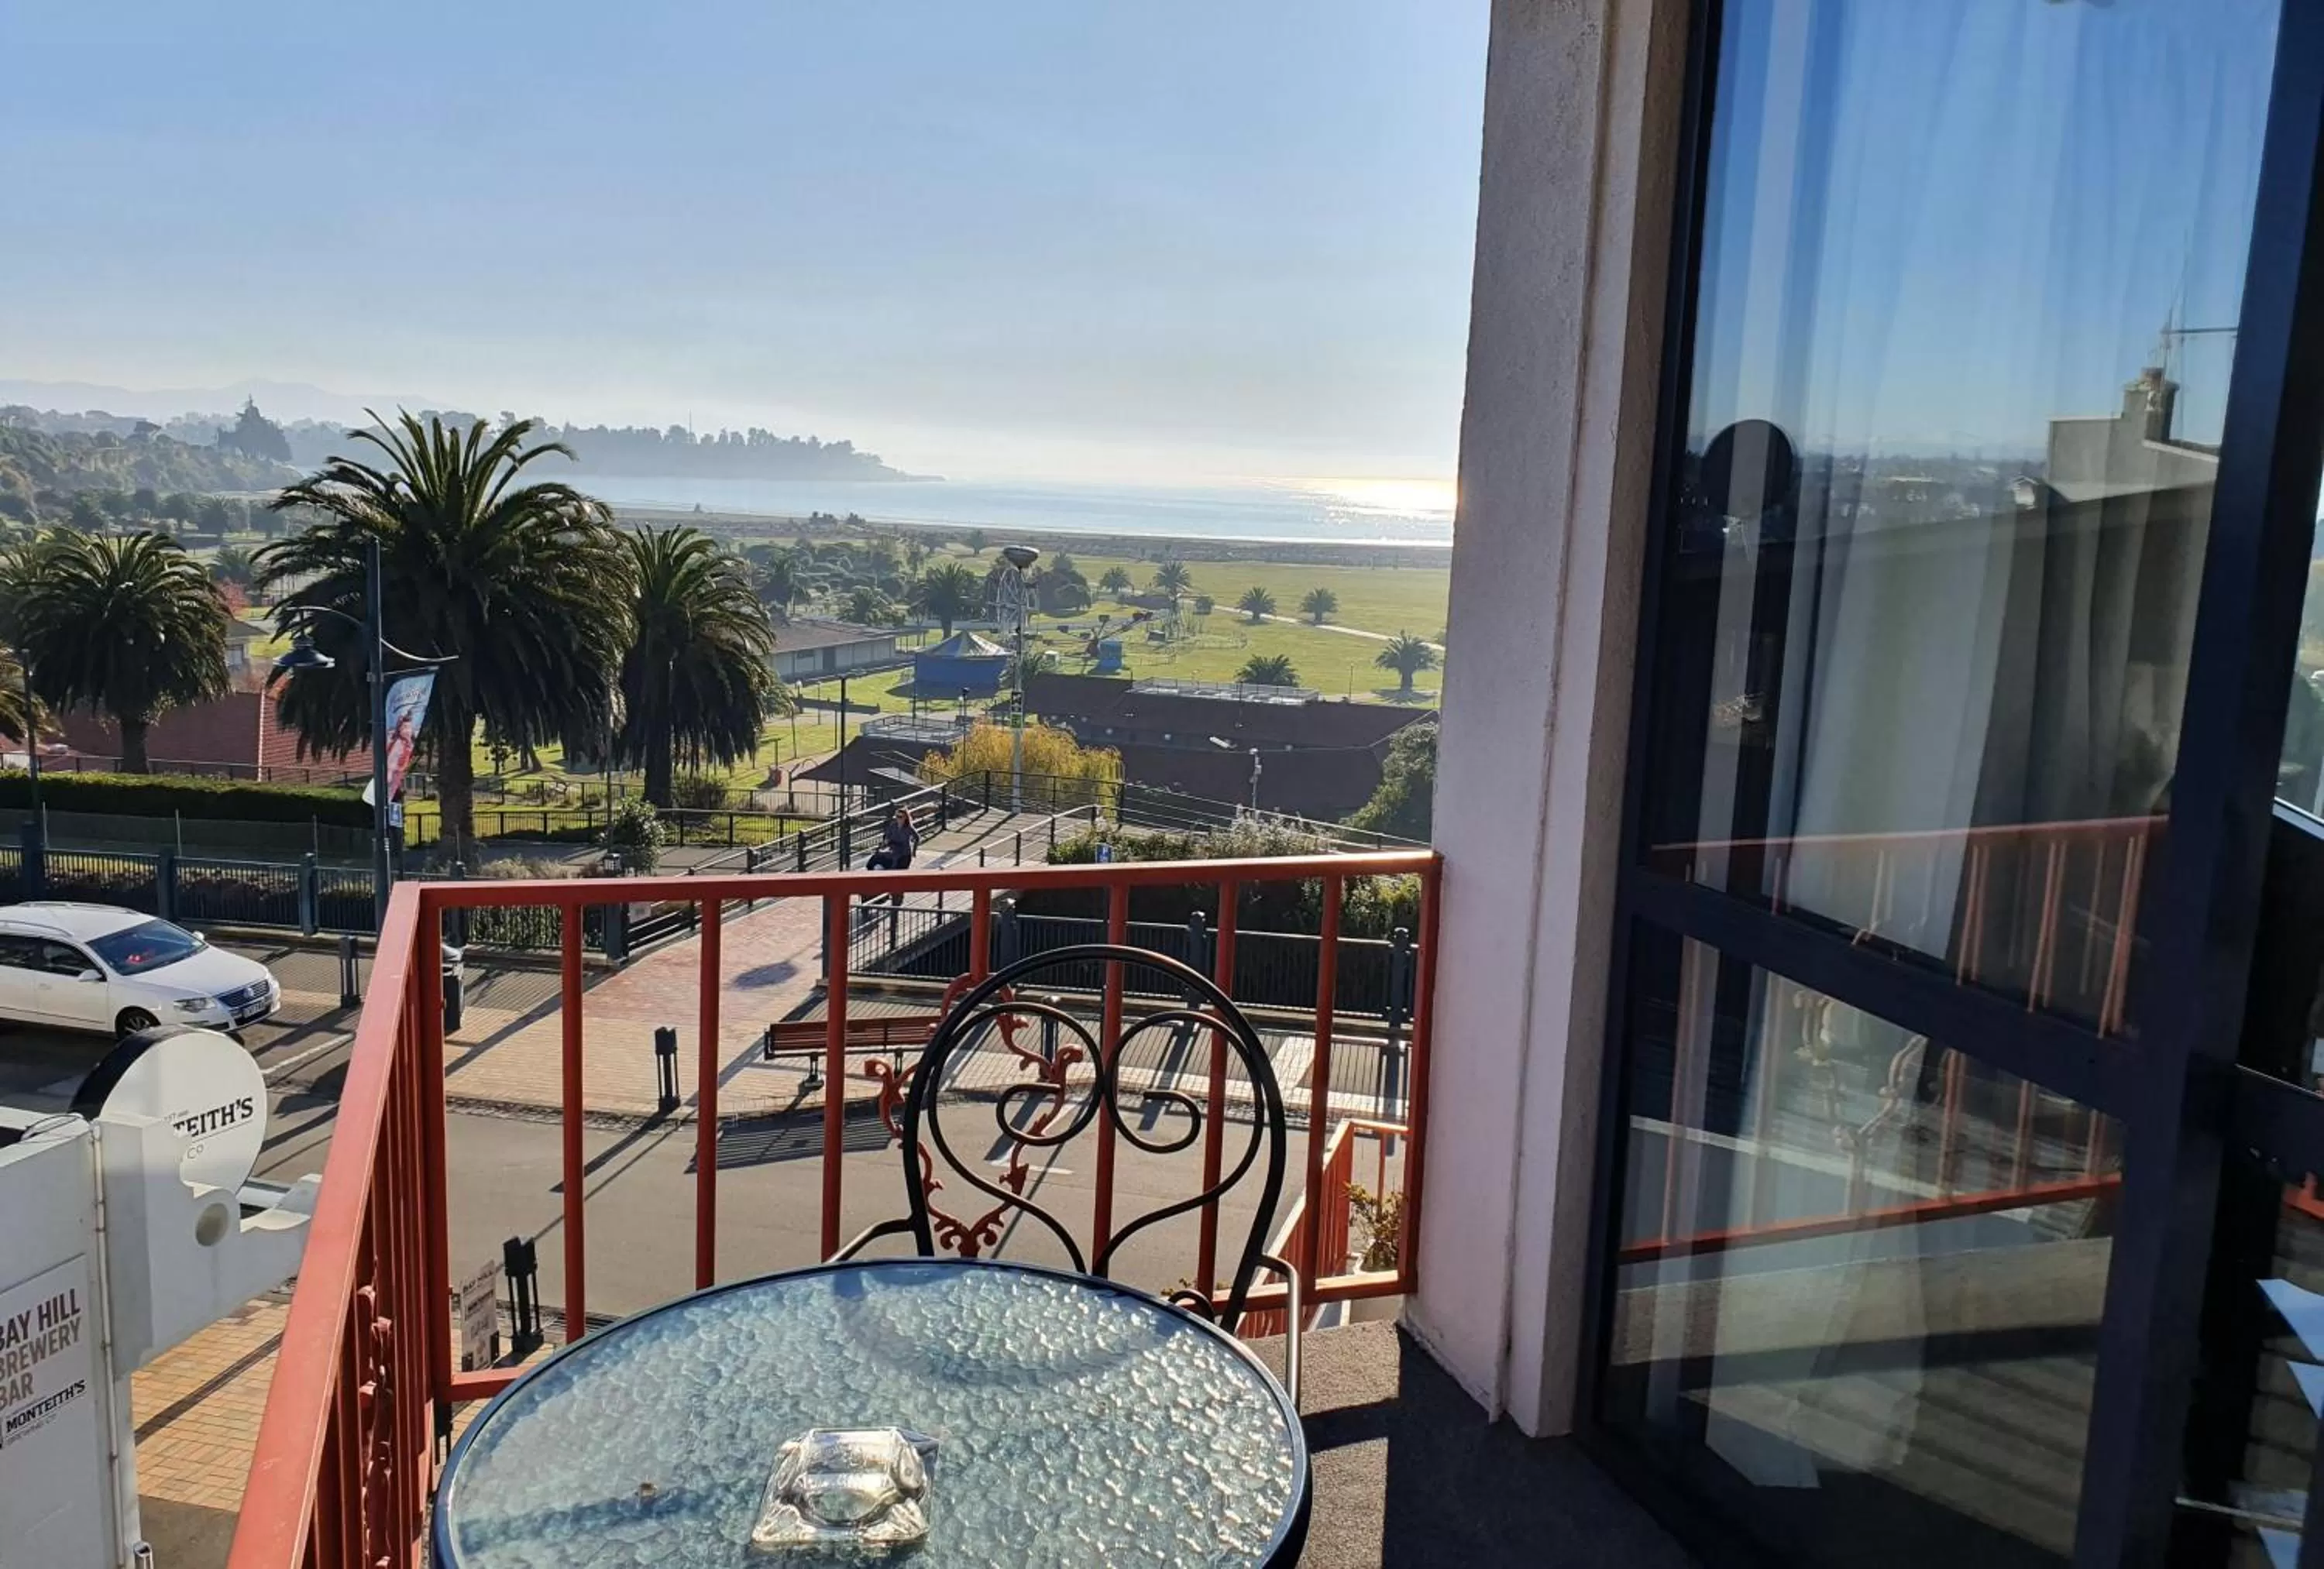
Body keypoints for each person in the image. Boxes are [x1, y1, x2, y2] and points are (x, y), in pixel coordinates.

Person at [865, 805, 920, 871]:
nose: (898, 819)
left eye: (900, 817)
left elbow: (917, 837)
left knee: (896, 866)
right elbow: (887, 837)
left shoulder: (909, 828)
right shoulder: (893, 826)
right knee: (877, 858)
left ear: (905, 817)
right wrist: (884, 844)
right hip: (893, 850)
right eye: (897, 816)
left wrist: (914, 851)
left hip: (904, 853)